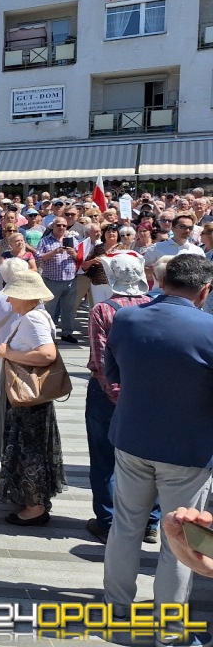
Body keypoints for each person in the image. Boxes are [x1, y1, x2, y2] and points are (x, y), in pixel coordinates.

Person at [103, 255, 213, 644]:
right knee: (181, 538)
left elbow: (113, 374)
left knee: (126, 526)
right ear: (204, 290)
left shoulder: (127, 319)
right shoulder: (210, 328)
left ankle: (116, 606)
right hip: (188, 448)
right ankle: (170, 626)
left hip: (132, 438)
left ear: (162, 281)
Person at [84, 251, 156, 545]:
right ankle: (150, 522)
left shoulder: (103, 310)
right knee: (150, 459)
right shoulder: (154, 306)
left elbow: (101, 362)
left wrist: (116, 396)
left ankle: (108, 520)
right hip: (147, 393)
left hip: (109, 393)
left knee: (104, 459)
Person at [0, 270, 68, 526]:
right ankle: (32, 500)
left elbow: (47, 355)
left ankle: (34, 506)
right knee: (30, 448)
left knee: (30, 450)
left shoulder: (32, 319)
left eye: (12, 295)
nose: (9, 301)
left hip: (29, 399)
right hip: (32, 399)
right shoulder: (35, 316)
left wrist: (10, 354)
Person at [36, 216, 80, 343]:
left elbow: (80, 259)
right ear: (53, 226)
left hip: (70, 280)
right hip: (51, 280)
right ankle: (49, 333)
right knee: (50, 309)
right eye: (58, 225)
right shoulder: (45, 241)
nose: (61, 228)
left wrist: (73, 254)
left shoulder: (73, 240)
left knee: (69, 309)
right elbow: (39, 258)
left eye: (64, 226)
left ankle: (67, 333)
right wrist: (54, 252)